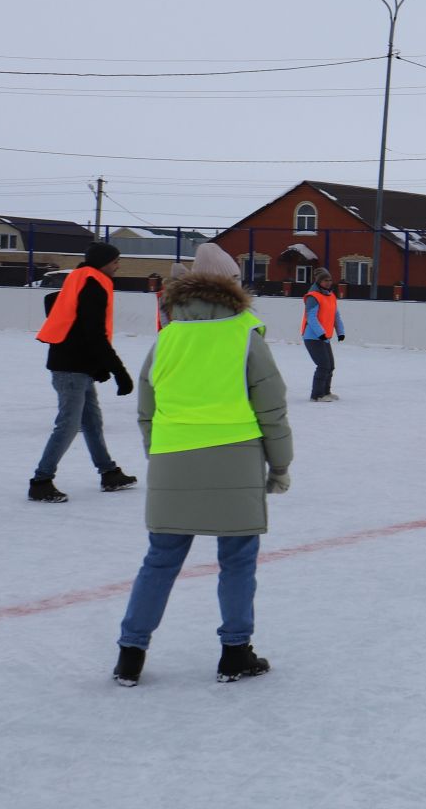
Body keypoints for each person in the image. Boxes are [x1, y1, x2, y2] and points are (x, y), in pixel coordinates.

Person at [113, 243, 292, 686]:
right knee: (237, 561)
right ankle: (235, 652)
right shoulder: (245, 334)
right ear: (232, 287)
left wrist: (160, 452)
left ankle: (130, 655)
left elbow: (146, 407)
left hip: (174, 460)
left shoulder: (167, 336)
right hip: (236, 460)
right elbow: (272, 407)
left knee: (160, 560)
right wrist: (280, 465)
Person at [30, 241, 137, 502]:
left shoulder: (79, 277)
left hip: (75, 363)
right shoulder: (93, 284)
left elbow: (66, 314)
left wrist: (96, 366)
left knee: (92, 422)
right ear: (103, 263)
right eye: (114, 261)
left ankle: (108, 473)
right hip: (70, 367)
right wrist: (118, 371)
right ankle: (41, 481)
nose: (117, 266)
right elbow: (93, 334)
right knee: (68, 425)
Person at [301, 270, 347, 402]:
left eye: (330, 280)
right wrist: (320, 333)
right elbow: (311, 317)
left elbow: (335, 316)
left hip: (324, 337)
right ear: (319, 281)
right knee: (323, 365)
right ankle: (317, 395)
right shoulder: (313, 297)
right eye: (325, 280)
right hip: (312, 337)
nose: (328, 283)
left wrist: (341, 332)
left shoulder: (331, 296)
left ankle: (326, 392)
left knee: (330, 365)